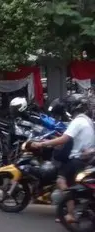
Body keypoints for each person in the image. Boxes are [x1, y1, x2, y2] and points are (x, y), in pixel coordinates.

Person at [31, 94, 95, 223]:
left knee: (61, 180)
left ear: (73, 107)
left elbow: (64, 138)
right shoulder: (88, 121)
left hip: (76, 159)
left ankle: (70, 213)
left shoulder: (77, 121)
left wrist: (42, 143)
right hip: (87, 159)